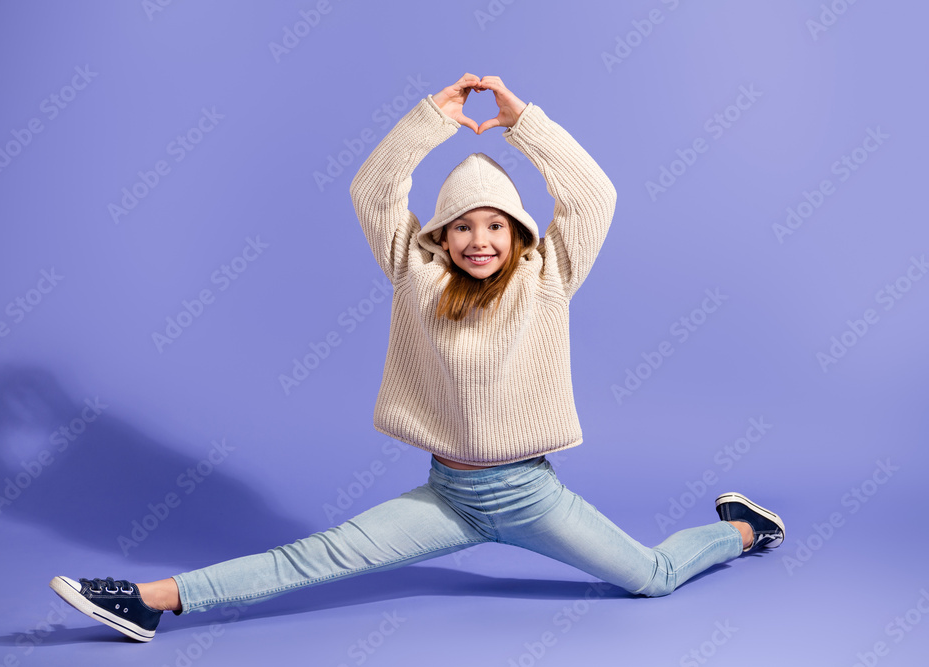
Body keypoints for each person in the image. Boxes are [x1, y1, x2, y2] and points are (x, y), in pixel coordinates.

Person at [51, 73, 784, 642]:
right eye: (462, 225)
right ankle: (148, 601)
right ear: (441, 235)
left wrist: (521, 120)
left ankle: (746, 527)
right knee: (314, 556)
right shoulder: (415, 270)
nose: (480, 239)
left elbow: (593, 194)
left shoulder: (549, 273)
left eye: (495, 224)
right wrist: (432, 118)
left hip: (531, 496)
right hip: (447, 498)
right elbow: (374, 189)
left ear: (519, 231)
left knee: (651, 576)